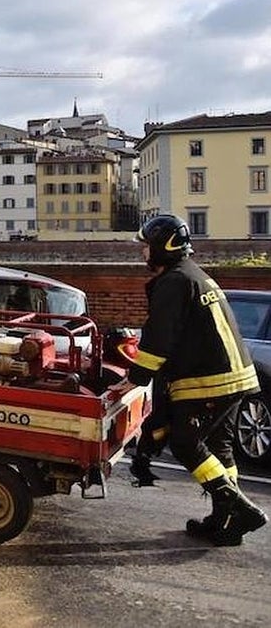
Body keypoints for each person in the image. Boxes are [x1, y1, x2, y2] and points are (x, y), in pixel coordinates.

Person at [127, 213, 266, 545]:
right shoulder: (193, 275)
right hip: (235, 376)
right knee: (219, 447)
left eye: (146, 247)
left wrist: (136, 376)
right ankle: (226, 521)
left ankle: (240, 509)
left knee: (186, 443)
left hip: (210, 379)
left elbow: (159, 339)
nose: (143, 253)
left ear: (163, 247)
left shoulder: (174, 281)